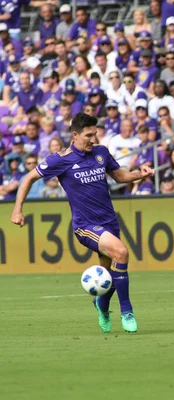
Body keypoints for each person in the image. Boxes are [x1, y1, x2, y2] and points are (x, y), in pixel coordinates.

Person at [10, 113, 154, 333]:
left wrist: (140, 174)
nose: (93, 139)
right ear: (75, 135)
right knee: (122, 253)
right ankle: (127, 311)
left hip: (110, 223)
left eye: (95, 134)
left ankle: (102, 307)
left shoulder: (101, 153)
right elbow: (29, 177)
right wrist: (17, 208)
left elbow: (120, 176)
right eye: (88, 135)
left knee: (108, 277)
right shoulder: (60, 159)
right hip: (85, 226)